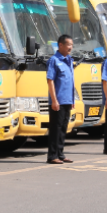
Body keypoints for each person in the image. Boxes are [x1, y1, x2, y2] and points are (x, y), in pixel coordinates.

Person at [46, 34, 76, 164]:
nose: (70, 47)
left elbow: (71, 81)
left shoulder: (69, 60)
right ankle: (52, 155)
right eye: (68, 44)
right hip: (57, 101)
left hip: (67, 100)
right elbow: (50, 80)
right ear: (61, 45)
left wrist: (72, 100)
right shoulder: (54, 60)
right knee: (55, 129)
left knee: (63, 128)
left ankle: (60, 153)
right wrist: (54, 100)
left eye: (72, 45)